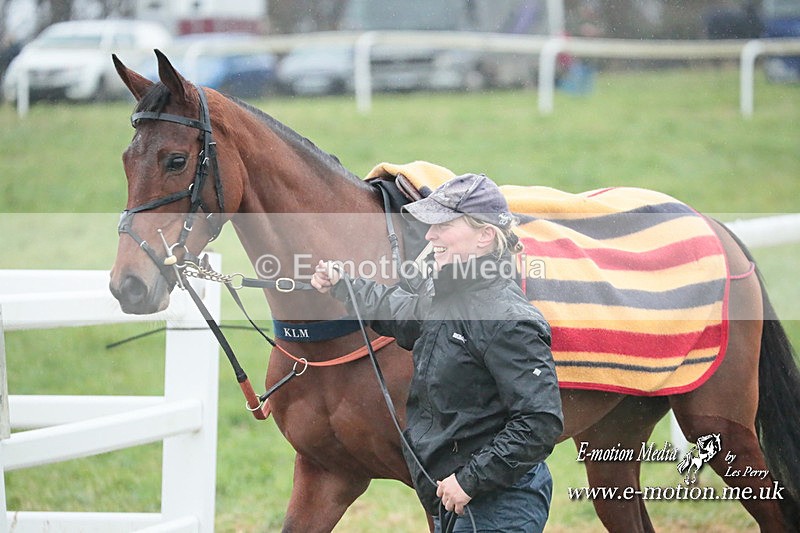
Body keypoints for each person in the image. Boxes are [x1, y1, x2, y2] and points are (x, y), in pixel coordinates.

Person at [311, 173, 564, 532]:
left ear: (485, 236)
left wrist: (470, 481)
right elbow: (398, 310)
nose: (429, 236)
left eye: (443, 226)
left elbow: (539, 422)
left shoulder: (509, 320)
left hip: (498, 501)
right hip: (455, 497)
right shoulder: (443, 295)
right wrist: (343, 284)